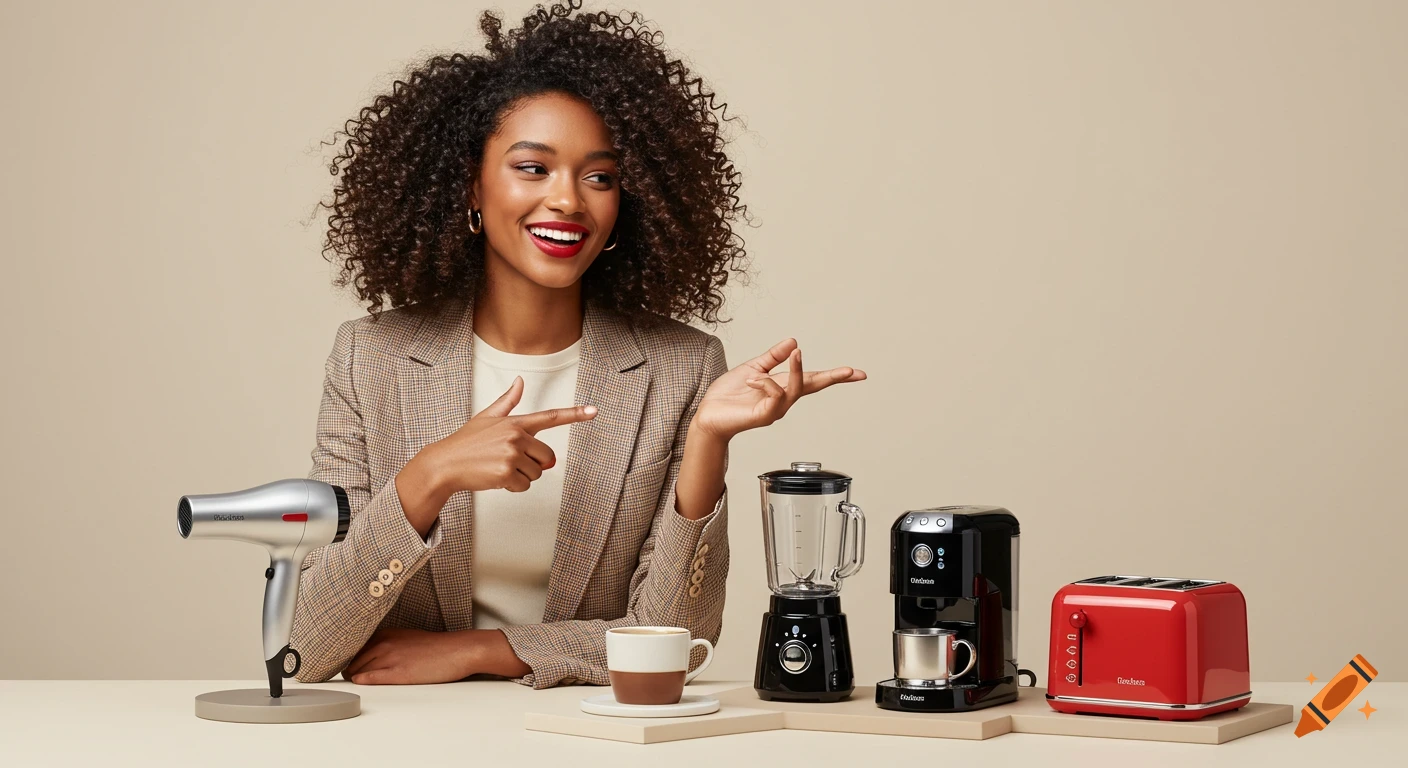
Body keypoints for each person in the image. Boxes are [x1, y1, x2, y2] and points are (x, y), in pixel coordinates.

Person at [289, 0, 866, 689]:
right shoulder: (371, 358)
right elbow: (306, 644)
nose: (568, 199)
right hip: (407, 736)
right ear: (471, 184)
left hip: (591, 737)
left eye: (599, 176)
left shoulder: (683, 369)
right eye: (533, 168)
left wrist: (487, 650)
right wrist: (430, 475)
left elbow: (676, 642)